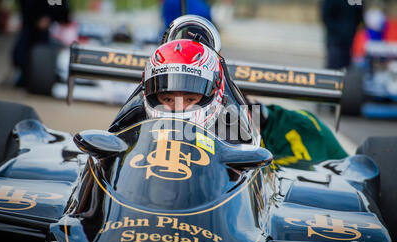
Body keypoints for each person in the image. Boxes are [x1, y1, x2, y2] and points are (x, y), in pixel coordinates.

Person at [141, 38, 348, 166]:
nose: (179, 107)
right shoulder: (137, 121)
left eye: (190, 98)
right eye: (167, 99)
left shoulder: (237, 129)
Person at [321, 0, 363, 69]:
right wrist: (339, 30)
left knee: (347, 69)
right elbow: (326, 16)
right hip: (335, 40)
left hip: (350, 40)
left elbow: (359, 14)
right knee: (333, 68)